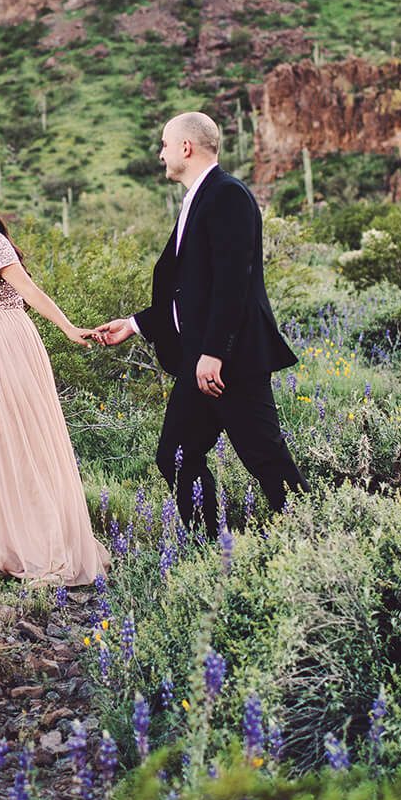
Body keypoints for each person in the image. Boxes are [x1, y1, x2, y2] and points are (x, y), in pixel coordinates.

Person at [93, 112, 304, 534]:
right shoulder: (199, 198)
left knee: (266, 458)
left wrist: (214, 352)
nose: (161, 153)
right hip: (201, 362)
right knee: (176, 453)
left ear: (186, 148)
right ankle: (211, 544)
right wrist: (134, 324)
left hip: (230, 362)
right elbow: (190, 290)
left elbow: (232, 282)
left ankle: (317, 541)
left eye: (166, 145)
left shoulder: (227, 195)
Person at [0, 177, 110, 586]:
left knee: (18, 442)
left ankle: (44, 548)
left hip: (9, 346)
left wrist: (68, 327)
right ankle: (0, 538)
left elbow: (29, 290)